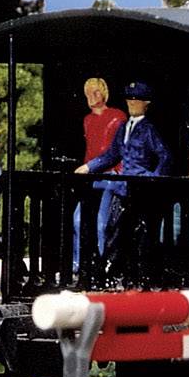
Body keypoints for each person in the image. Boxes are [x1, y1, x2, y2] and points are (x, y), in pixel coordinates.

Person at [74, 81, 171, 265]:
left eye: (137, 100)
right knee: (113, 227)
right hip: (123, 188)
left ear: (146, 103)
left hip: (139, 187)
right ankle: (111, 270)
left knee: (139, 232)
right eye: (130, 100)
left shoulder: (148, 129)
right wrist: (90, 167)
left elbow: (164, 155)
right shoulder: (124, 127)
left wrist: (154, 178)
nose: (132, 104)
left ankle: (136, 272)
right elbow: (112, 154)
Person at [71, 77, 125, 269]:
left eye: (96, 91)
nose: (92, 96)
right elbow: (90, 148)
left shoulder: (117, 117)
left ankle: (102, 267)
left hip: (110, 175)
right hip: (92, 177)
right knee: (77, 221)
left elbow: (114, 152)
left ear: (104, 93)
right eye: (88, 92)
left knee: (102, 224)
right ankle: (76, 266)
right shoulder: (88, 120)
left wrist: (91, 166)